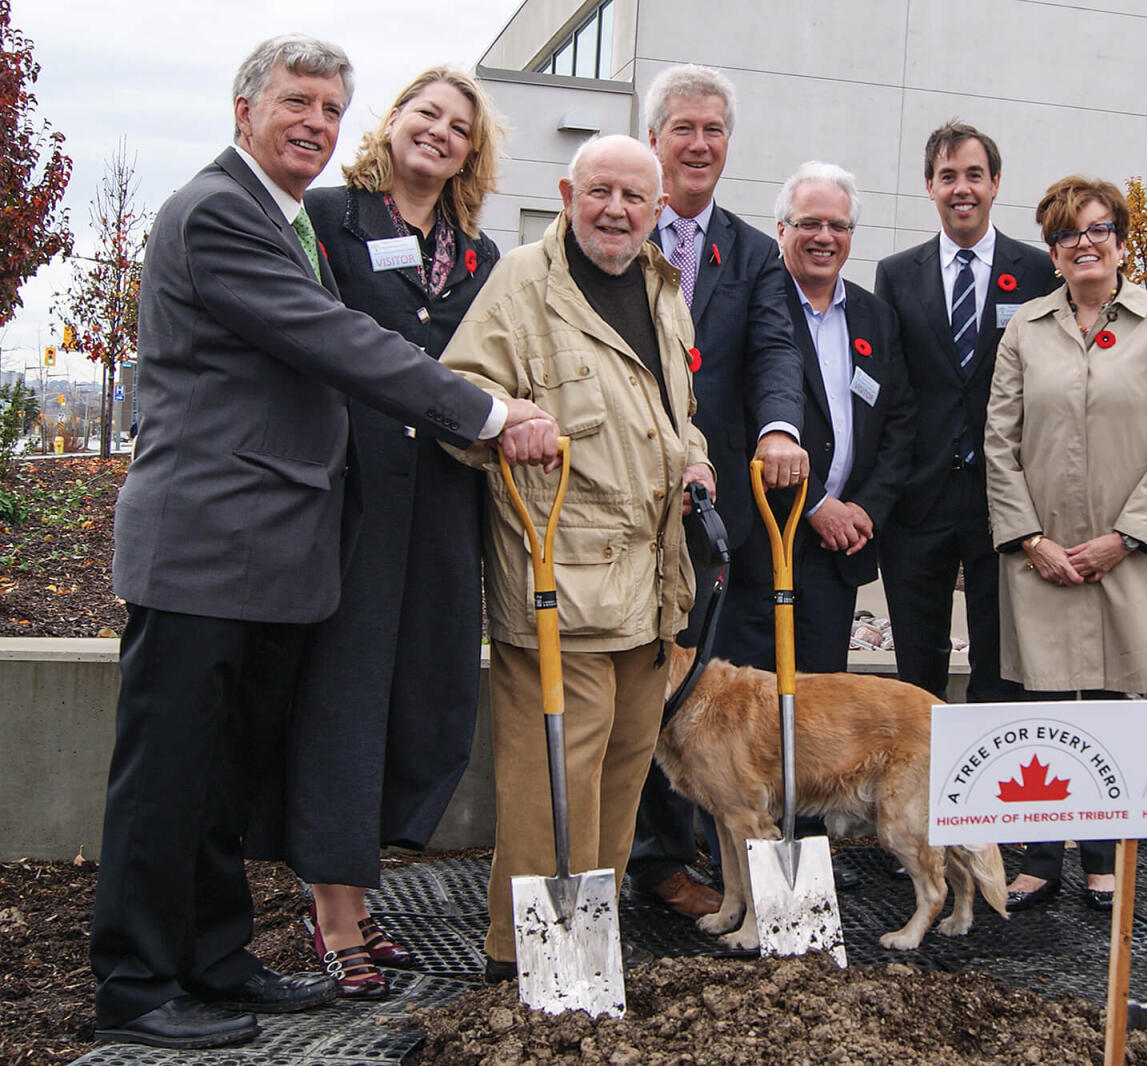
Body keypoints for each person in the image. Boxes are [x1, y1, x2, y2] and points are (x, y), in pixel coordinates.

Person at [90, 34, 554, 1051]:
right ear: (244, 107)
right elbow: (334, 337)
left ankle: (211, 961)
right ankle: (133, 981)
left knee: (221, 778)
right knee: (166, 778)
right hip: (204, 548)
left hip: (269, 556)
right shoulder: (220, 211)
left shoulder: (283, 214)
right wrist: (480, 410)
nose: (314, 121)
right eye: (296, 101)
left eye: (329, 108)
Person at [439, 133, 714, 984]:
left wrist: (695, 454)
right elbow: (459, 390)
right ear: (568, 192)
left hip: (651, 584)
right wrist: (506, 414)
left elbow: (674, 411)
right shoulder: (525, 282)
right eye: (600, 191)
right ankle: (521, 956)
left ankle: (586, 944)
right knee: (552, 779)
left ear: (657, 209)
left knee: (626, 770)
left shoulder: (663, 289)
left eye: (635, 198)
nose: (616, 210)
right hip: (559, 576)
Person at [269, 67, 506, 1000]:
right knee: (347, 692)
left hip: (445, 502)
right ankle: (333, 914)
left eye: (459, 126)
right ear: (394, 123)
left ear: (470, 152)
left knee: (425, 691)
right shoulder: (330, 220)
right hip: (356, 497)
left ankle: (361, 895)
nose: (439, 133)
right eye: (426, 114)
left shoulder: (480, 258)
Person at [985, 175, 1147, 911]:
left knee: (1111, 703)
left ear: (1122, 241)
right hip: (1041, 559)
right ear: (1051, 251)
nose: (1085, 243)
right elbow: (999, 444)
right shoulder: (1026, 330)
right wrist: (1031, 540)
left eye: (1099, 229)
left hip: (1130, 557)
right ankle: (1042, 857)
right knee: (1044, 705)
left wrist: (1122, 539)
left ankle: (1105, 857)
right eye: (1068, 234)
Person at [628, 63, 808, 920]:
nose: (699, 145)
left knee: (709, 682)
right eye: (683, 128)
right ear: (655, 136)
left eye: (714, 131)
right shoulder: (619, 225)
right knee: (649, 680)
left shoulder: (756, 253)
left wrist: (780, 428)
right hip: (628, 497)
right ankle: (659, 857)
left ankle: (717, 847)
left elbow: (777, 351)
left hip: (719, 511)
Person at [872, 122, 1056, 707]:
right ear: (929, 186)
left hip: (1004, 499)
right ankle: (919, 793)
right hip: (918, 499)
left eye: (974, 175)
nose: (962, 189)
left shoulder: (1036, 273)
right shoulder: (897, 275)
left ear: (995, 183)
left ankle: (989, 790)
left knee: (1000, 667)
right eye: (947, 176)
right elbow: (895, 390)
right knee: (916, 671)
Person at [717, 161, 915, 676]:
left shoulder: (877, 317)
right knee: (750, 714)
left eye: (838, 226)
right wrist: (817, 504)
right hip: (763, 544)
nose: (824, 237)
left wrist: (864, 510)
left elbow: (898, 426)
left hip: (838, 551)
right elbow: (738, 422)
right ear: (781, 230)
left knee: (821, 709)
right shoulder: (754, 307)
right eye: (809, 223)